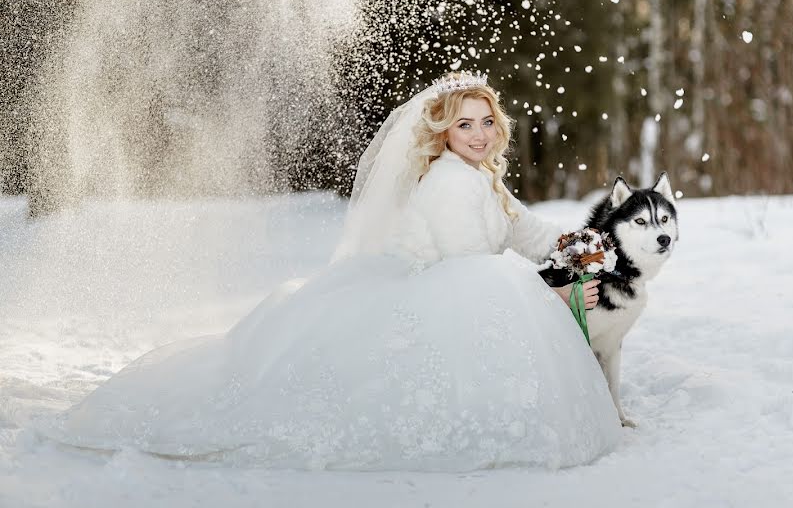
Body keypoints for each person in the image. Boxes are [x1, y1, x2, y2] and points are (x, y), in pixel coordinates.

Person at [39, 72, 622, 471]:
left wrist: (586, 243)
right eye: (464, 124)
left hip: (471, 282)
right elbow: (474, 265)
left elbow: (527, 232)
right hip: (451, 290)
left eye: (485, 122)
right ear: (443, 131)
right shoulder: (448, 183)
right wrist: (561, 286)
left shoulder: (480, 178)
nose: (477, 134)